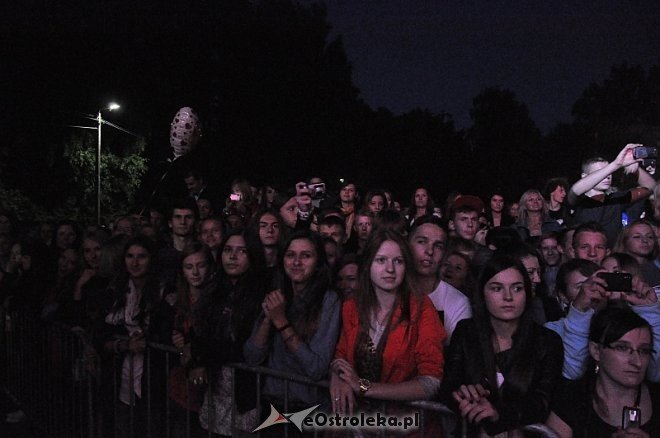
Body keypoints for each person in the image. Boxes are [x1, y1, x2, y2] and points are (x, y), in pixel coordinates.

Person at [329, 229, 445, 432]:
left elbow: (431, 382)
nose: (390, 269)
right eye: (381, 260)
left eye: (398, 261)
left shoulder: (422, 309)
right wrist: (337, 376)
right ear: (367, 266)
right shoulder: (352, 307)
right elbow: (341, 354)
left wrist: (364, 387)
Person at [439, 255, 563, 436]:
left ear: (527, 293)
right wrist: (462, 396)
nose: (508, 297)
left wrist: (500, 413)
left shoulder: (548, 341)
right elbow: (448, 386)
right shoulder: (466, 331)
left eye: (517, 288)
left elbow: (542, 401)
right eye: (497, 288)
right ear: (482, 292)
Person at [243, 230, 341, 410]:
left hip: (307, 407)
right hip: (272, 403)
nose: (296, 262)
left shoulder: (329, 301)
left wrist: (281, 322)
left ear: (318, 262)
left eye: (306, 256)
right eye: (290, 255)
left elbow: (316, 368)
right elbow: (252, 357)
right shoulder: (277, 294)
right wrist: (268, 320)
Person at [546, 305, 660, 437]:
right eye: (622, 348)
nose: (637, 361)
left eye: (644, 350)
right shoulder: (570, 401)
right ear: (596, 351)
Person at [197, 228, 268, 436]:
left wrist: (203, 354)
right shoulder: (213, 291)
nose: (232, 256)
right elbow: (201, 333)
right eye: (227, 249)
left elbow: (244, 349)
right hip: (215, 387)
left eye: (241, 251)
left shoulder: (259, 294)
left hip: (244, 392)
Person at [568, 144, 655, 247]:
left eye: (610, 172)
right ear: (584, 176)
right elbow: (575, 190)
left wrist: (636, 170)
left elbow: (650, 187)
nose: (607, 176)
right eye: (602, 172)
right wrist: (615, 165)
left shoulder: (616, 199)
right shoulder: (580, 201)